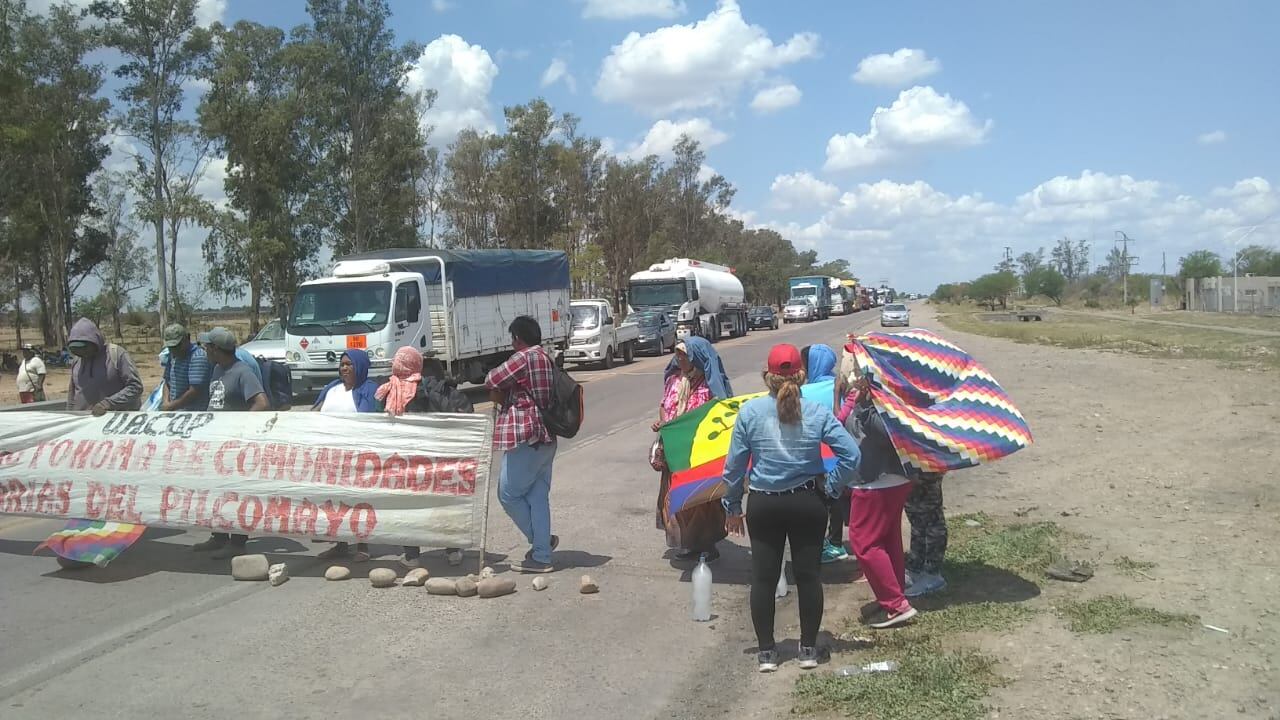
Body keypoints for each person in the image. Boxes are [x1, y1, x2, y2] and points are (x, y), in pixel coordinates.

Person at [721, 344, 861, 673]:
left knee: (764, 578)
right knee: (809, 577)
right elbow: (852, 455)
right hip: (807, 503)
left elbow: (734, 467)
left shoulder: (750, 413)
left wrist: (732, 505)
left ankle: (767, 654)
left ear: (766, 376)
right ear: (802, 375)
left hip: (764, 504)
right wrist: (831, 486)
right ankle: (808, 650)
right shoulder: (817, 412)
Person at [842, 373, 919, 629]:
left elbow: (885, 432)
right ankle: (893, 595)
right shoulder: (885, 396)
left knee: (864, 542)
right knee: (887, 540)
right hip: (888, 479)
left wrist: (865, 403)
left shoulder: (882, 401)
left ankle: (896, 604)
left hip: (878, 481)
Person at [485, 316, 559, 574]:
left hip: (526, 436)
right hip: (547, 435)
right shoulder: (546, 357)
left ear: (518, 338)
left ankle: (542, 543)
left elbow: (492, 379)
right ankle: (542, 555)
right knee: (537, 496)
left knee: (508, 494)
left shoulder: (524, 357)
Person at [389, 351, 475, 568]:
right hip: (440, 459)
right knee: (444, 504)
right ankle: (452, 551)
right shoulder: (443, 390)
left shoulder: (397, 391)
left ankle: (412, 556)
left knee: (410, 507)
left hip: (412, 460)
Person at [652, 337, 733, 562]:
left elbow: (716, 415)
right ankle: (688, 542)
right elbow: (664, 405)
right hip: (676, 448)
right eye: (677, 354)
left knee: (702, 498)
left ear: (695, 357)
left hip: (700, 450)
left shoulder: (709, 385)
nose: (679, 359)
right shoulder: (674, 380)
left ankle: (707, 544)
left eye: (683, 355)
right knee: (679, 495)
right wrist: (664, 424)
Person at [192, 327, 269, 560]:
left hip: (234, 446)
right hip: (215, 442)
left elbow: (262, 403)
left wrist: (239, 428)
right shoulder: (217, 369)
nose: (205, 350)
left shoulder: (242, 372)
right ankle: (218, 536)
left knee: (235, 493)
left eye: (207, 347)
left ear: (216, 349)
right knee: (216, 491)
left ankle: (237, 542)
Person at [312, 349, 382, 562]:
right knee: (335, 500)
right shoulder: (332, 388)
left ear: (360, 366)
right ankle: (340, 544)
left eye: (349, 364)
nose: (344, 368)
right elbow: (315, 411)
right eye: (342, 364)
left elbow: (371, 421)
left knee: (359, 500)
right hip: (331, 454)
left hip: (357, 455)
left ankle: (362, 545)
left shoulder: (369, 390)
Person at [799, 344, 850, 565]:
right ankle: (836, 541)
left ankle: (827, 544)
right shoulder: (839, 385)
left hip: (817, 455)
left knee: (820, 499)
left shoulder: (807, 392)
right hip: (841, 453)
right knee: (835, 497)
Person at [66, 318, 143, 417]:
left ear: (94, 342)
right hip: (84, 422)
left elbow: (135, 387)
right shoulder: (77, 361)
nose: (81, 352)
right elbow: (72, 394)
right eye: (76, 350)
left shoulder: (116, 354)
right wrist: (69, 415)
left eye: (84, 348)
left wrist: (108, 403)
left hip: (114, 420)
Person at [903, 472, 948, 597]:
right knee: (916, 518)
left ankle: (932, 575)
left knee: (932, 520)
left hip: (926, 466)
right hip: (908, 465)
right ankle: (916, 567)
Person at [159, 324, 212, 411]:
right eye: (170, 347)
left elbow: (195, 391)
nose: (174, 350)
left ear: (187, 338)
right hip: (174, 410)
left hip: (193, 412)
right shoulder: (172, 355)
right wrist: (166, 402)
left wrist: (171, 406)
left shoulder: (198, 356)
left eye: (177, 346)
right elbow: (167, 381)